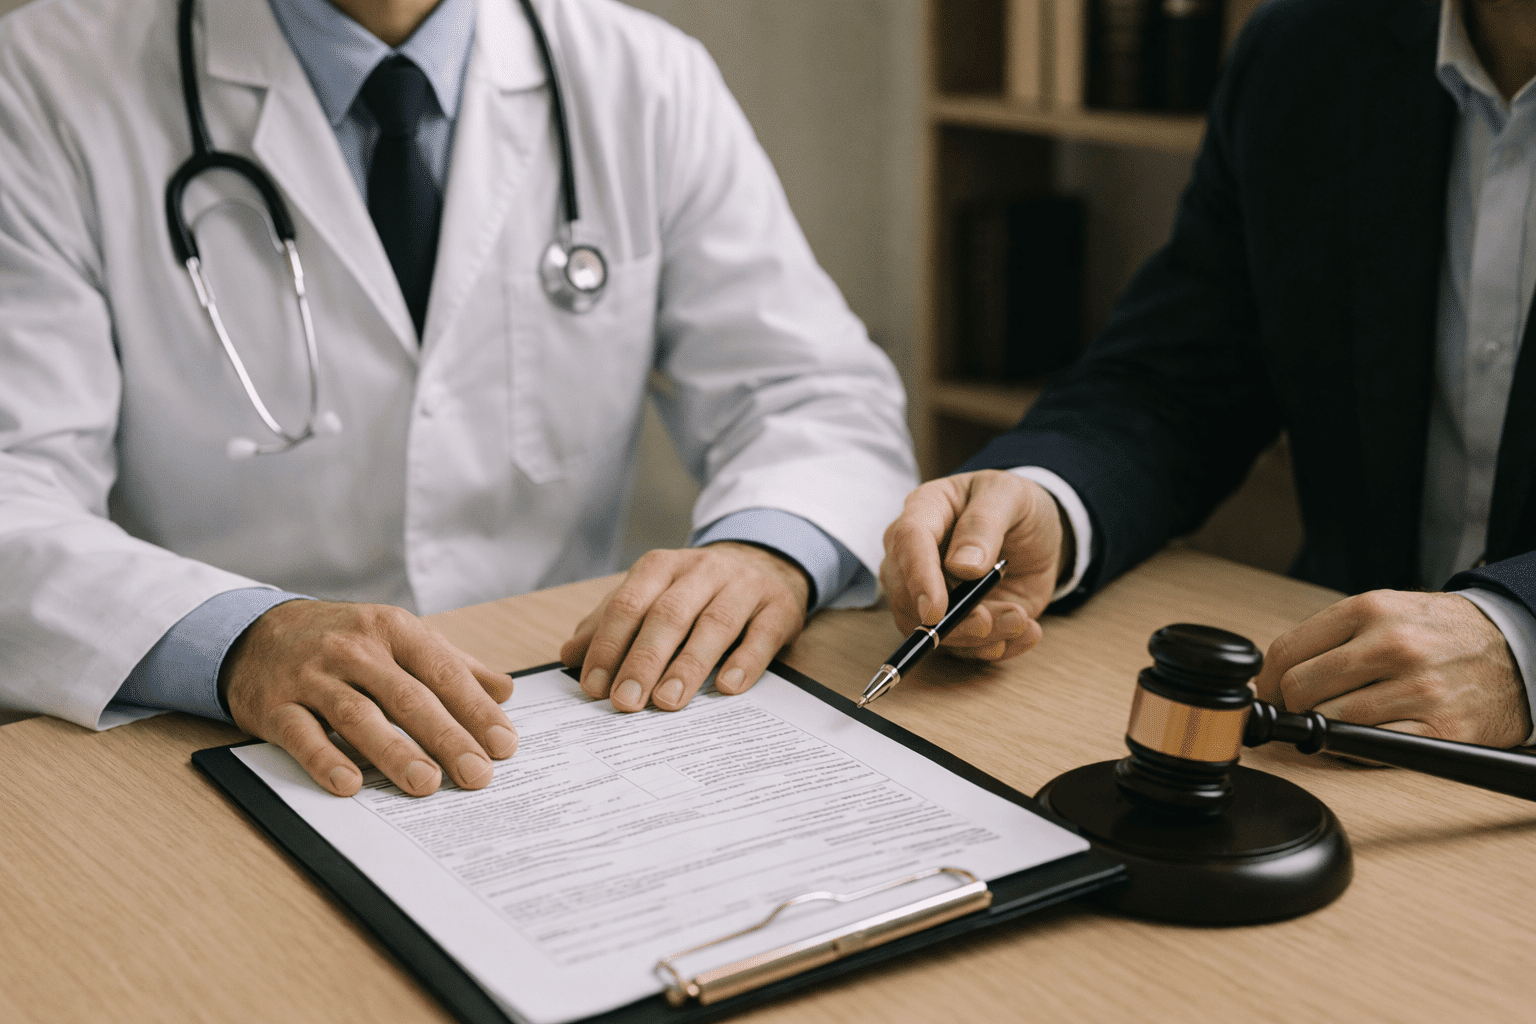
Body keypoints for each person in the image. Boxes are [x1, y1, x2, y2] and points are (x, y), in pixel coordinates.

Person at [0, 0, 916, 796]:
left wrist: (767, 550)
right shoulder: (46, 79)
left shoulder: (643, 76)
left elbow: (812, 391)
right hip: (213, 739)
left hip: (565, 716)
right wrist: (238, 641)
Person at [882, 0, 1536, 748]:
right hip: (1328, 727)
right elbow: (1179, 376)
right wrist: (1048, 500)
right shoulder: (1307, 47)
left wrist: (1520, 642)